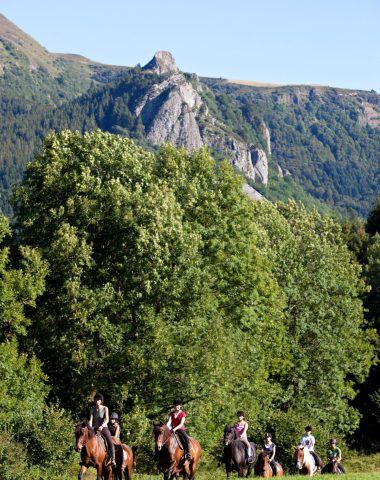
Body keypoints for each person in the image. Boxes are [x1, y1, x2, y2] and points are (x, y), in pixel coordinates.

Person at [89, 393, 116, 467]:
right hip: (94, 428)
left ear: (101, 401)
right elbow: (91, 420)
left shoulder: (105, 408)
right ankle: (85, 457)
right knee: (86, 439)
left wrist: (102, 426)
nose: (97, 401)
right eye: (96, 399)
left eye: (98, 400)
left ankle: (113, 459)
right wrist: (90, 427)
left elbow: (107, 419)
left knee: (110, 441)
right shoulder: (92, 409)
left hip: (103, 428)